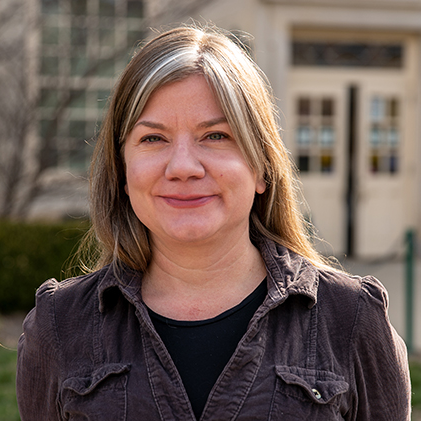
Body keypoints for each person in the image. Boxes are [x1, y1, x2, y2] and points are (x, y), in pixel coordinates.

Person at [16, 25, 411, 420]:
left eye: (216, 136)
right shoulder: (58, 326)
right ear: (122, 170)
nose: (183, 167)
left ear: (261, 168)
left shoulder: (352, 319)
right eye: (153, 139)